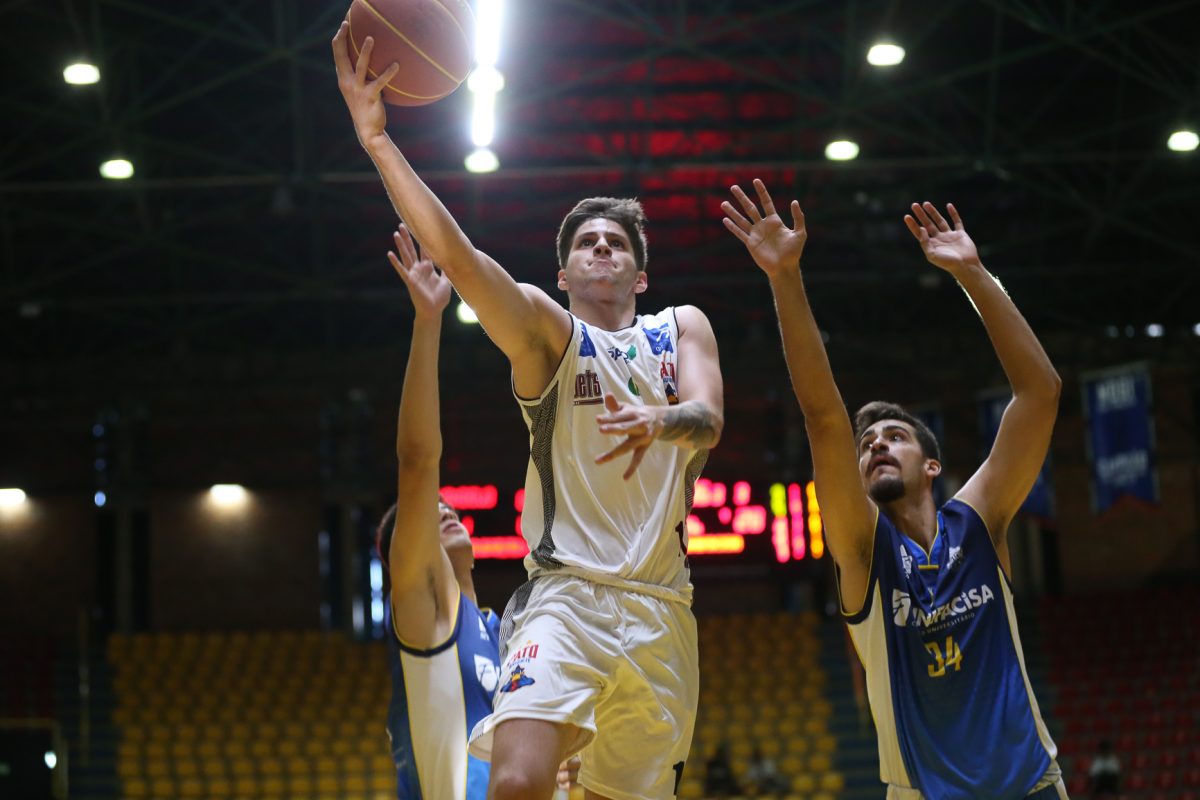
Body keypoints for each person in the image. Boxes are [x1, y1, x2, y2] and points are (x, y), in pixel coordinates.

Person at [334, 27, 725, 800]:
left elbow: (709, 420)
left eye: (617, 243)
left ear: (641, 276)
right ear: (564, 272)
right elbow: (461, 259)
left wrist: (662, 421)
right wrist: (378, 142)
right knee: (516, 781)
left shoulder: (681, 325)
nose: (602, 249)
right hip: (565, 597)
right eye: (587, 243)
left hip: (662, 609)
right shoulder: (550, 334)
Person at [723, 180, 1065, 799]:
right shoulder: (864, 552)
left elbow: (1040, 393)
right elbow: (824, 419)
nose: (876, 444)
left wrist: (974, 274)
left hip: (1031, 786)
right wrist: (784, 278)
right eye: (867, 445)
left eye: (895, 436)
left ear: (932, 466)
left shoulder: (979, 521)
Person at [377, 225, 578, 799]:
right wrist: (428, 321)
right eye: (424, 515)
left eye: (445, 507)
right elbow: (419, 463)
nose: (440, 509)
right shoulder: (424, 615)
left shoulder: (504, 631)